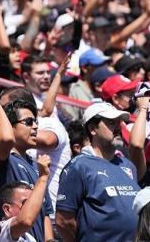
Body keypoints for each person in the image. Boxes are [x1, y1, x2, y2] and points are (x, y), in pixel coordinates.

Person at [56, 102, 140, 242]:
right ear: (93, 129)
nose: (119, 127)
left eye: (120, 122)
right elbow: (63, 221)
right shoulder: (79, 165)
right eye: (111, 122)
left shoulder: (128, 166)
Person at [0, 98, 54, 242]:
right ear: (11, 126)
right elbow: (6, 139)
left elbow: (45, 212)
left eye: (36, 122)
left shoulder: (37, 167)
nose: (35, 127)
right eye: (28, 122)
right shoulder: (3, 158)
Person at [0, 154, 51, 242]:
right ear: (7, 209)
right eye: (26, 203)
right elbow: (25, 221)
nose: (32, 207)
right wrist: (43, 177)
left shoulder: (31, 239)